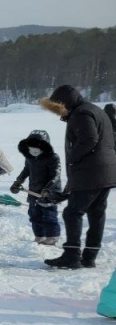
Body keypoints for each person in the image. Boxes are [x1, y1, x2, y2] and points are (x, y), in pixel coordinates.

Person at [41, 85, 116, 269]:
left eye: (58, 107)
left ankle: (72, 255)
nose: (58, 112)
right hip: (106, 172)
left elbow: (89, 139)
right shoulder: (94, 109)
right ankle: (89, 256)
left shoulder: (81, 114)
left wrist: (73, 158)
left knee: (72, 212)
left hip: (91, 172)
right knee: (96, 213)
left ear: (65, 103)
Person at [10, 130, 62, 246]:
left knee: (48, 215)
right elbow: (26, 171)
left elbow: (56, 175)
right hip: (34, 191)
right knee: (34, 214)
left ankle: (52, 237)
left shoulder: (53, 157)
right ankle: (39, 236)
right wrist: (17, 182)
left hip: (50, 192)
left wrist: (48, 189)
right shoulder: (29, 157)